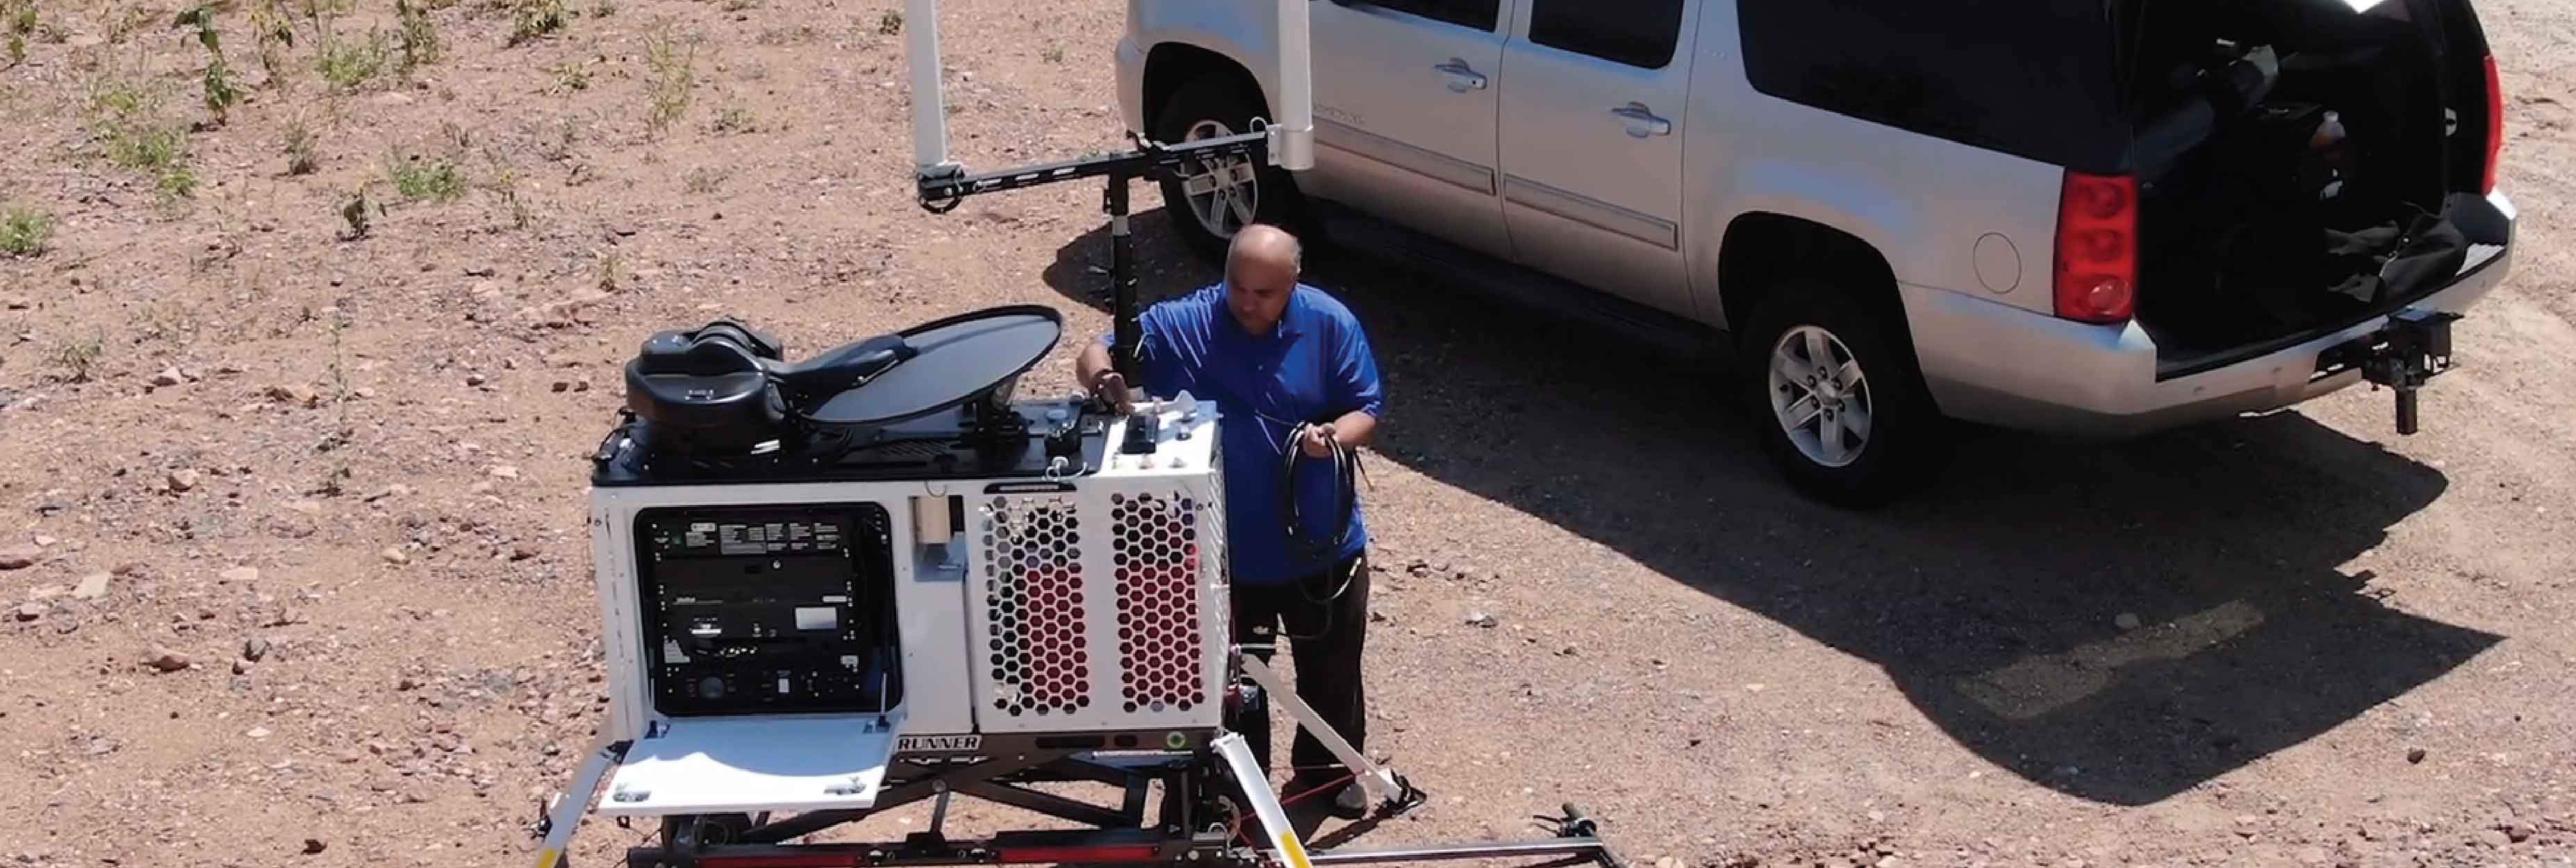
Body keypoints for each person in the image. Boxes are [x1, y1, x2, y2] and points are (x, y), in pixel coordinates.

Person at [1075, 224, 1385, 816]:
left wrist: (1332, 439)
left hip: (1320, 544)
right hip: (1222, 554)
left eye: (1263, 293)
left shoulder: (1329, 324)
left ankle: (1325, 778)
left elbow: (1365, 407)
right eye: (1236, 286)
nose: (1245, 302)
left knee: (1331, 670)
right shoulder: (1184, 323)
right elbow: (1097, 349)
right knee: (1231, 682)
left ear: (1293, 283)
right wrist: (1105, 380)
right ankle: (1238, 791)